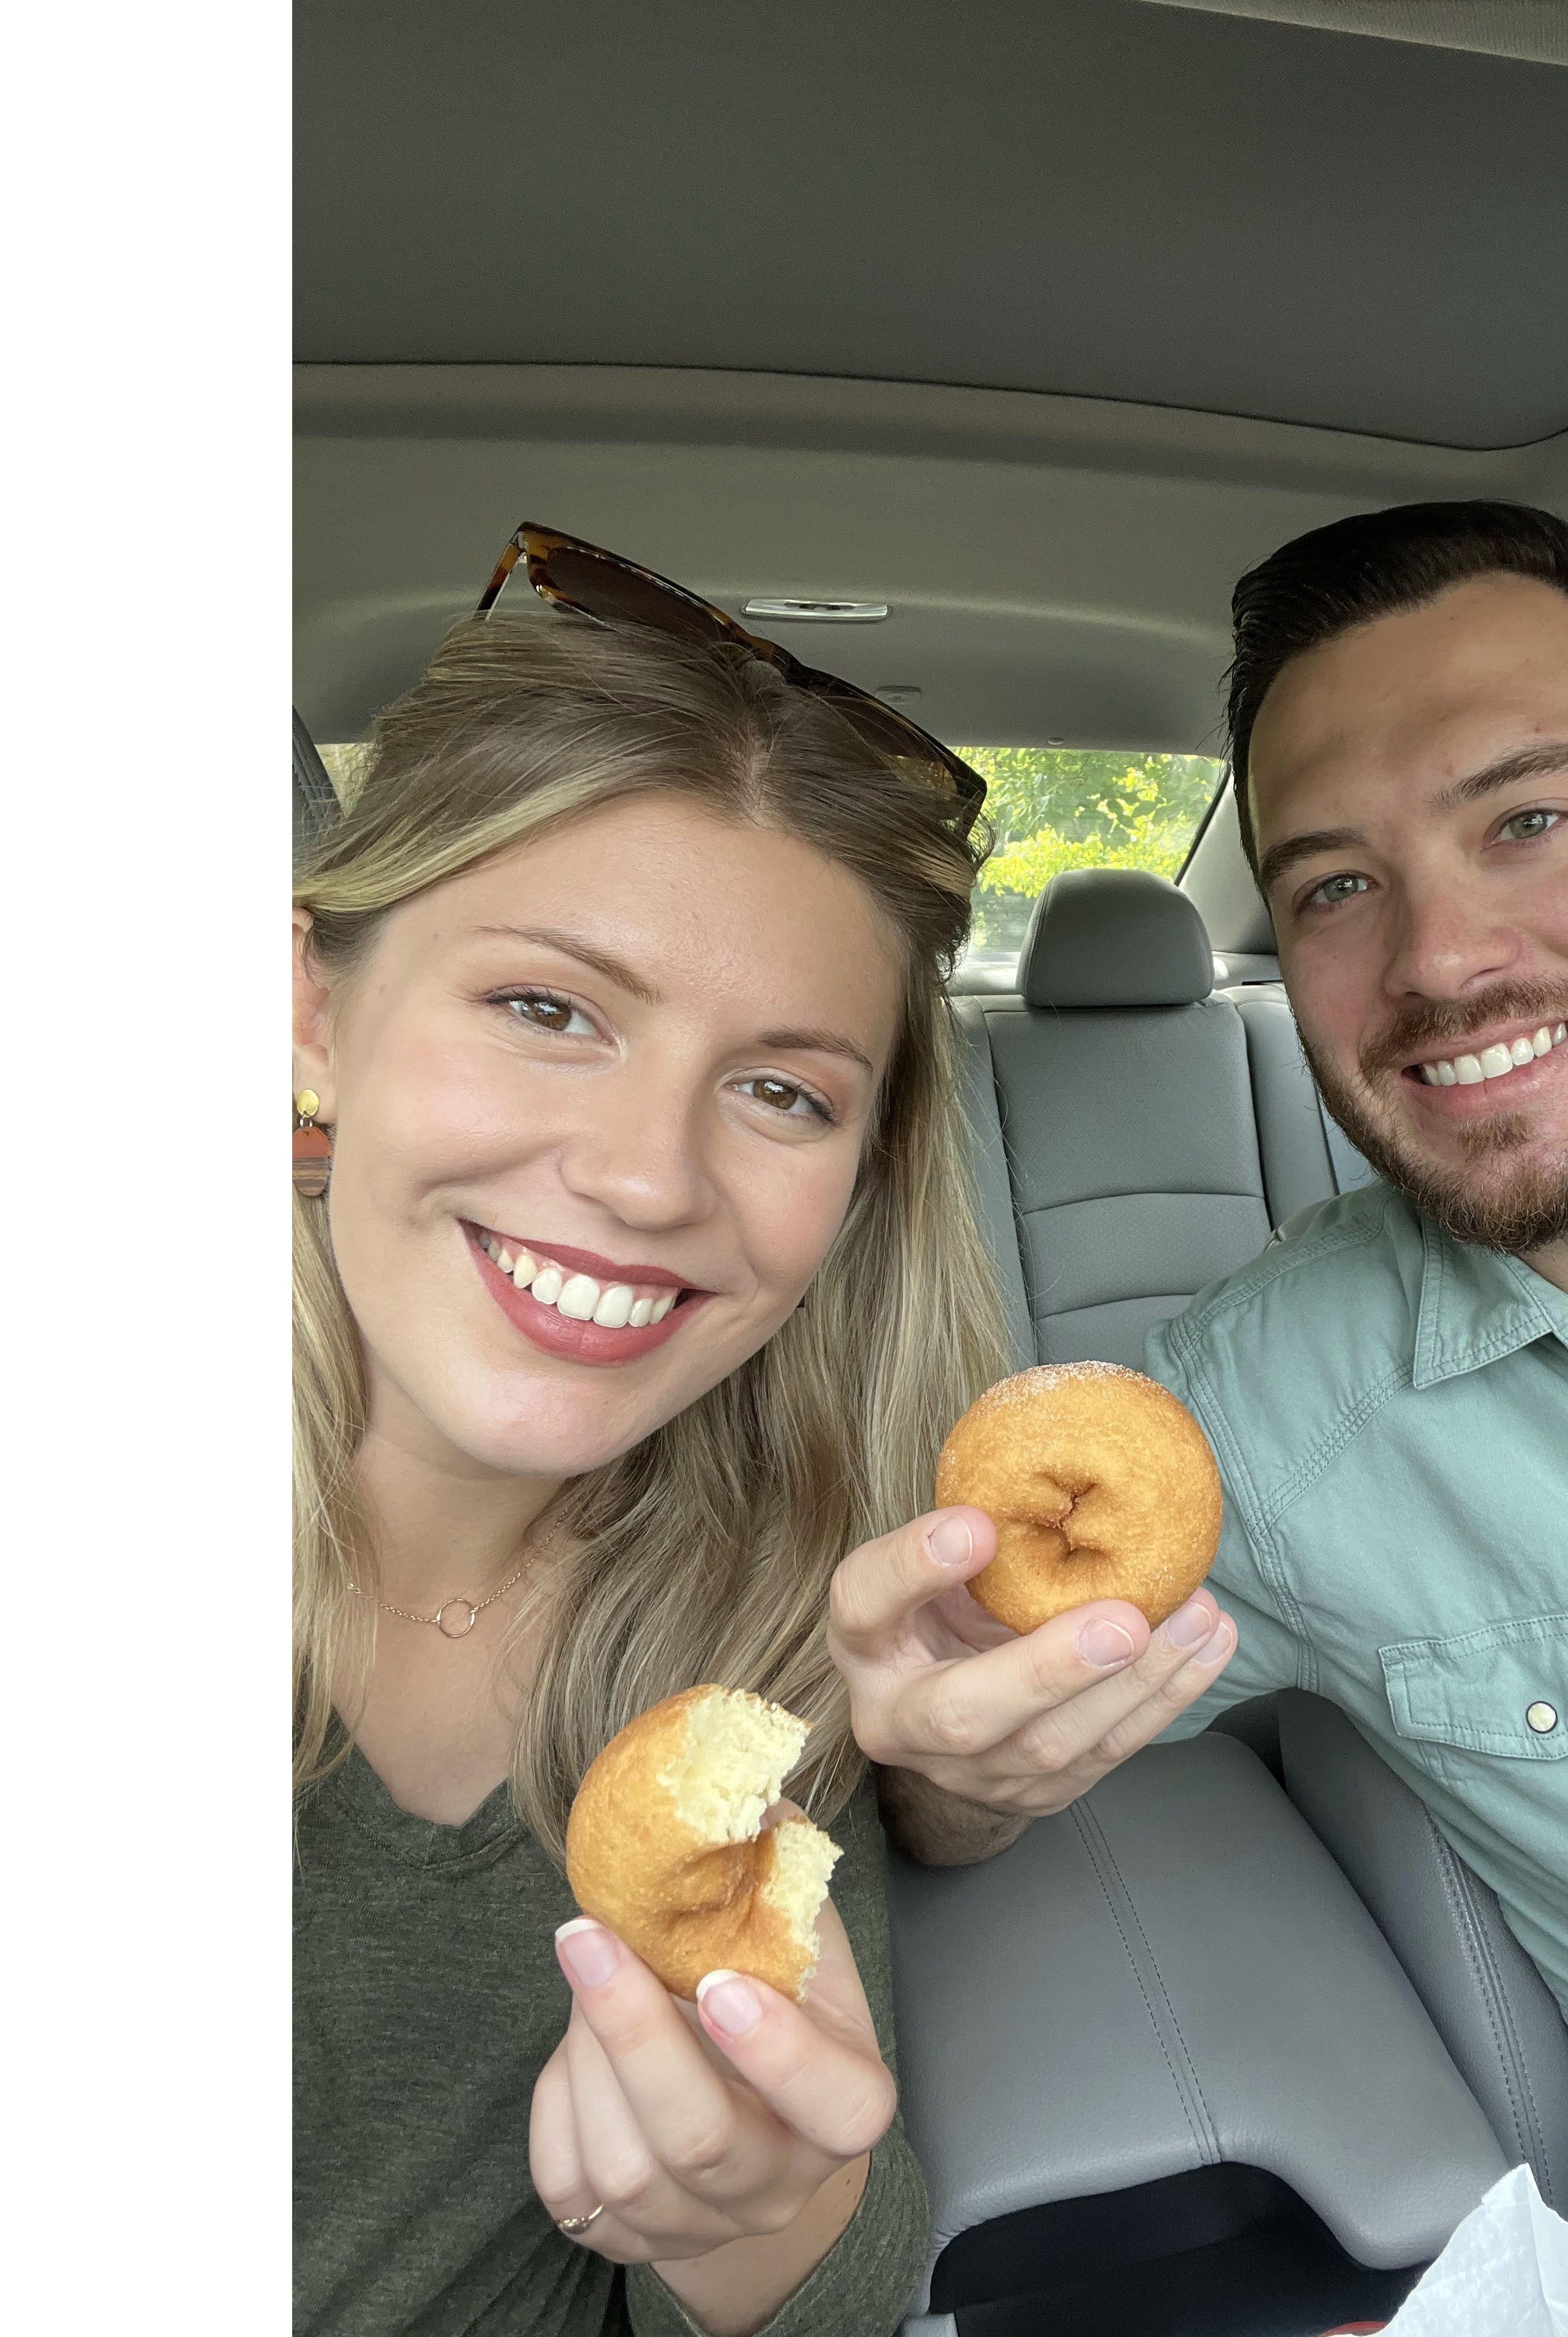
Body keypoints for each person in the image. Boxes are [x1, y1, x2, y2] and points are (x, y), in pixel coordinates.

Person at [834, 503, 1568, 2336]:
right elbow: (968, 1738)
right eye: (1333, 885)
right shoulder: (1254, 1417)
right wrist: (946, 1770)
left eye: (1527, 821)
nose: (1443, 962)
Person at [294, 529, 1013, 2337]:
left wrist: (763, 2228)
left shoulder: (773, 1637)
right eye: (547, 1009)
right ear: (313, 1010)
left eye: (780, 1089)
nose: (642, 1175)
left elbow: (828, 2288)